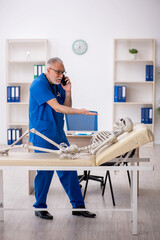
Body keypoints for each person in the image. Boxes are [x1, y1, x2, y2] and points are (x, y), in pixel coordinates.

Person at [29, 57, 97, 220]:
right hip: (42, 134)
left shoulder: (57, 85)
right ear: (48, 70)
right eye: (58, 71)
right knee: (44, 172)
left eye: (63, 72)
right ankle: (40, 207)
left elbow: (65, 106)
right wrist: (81, 112)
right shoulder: (38, 84)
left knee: (68, 169)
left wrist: (68, 91)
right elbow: (58, 108)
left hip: (58, 133)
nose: (60, 75)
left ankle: (78, 206)